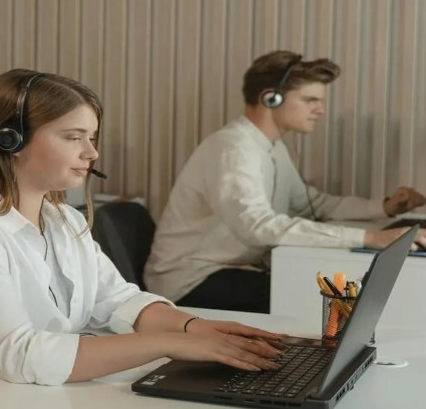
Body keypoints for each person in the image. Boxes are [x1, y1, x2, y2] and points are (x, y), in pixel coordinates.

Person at [0, 69, 284, 409]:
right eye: (74, 137)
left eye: (92, 137)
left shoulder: (62, 219)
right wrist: (172, 345)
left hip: (18, 408)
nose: (92, 152)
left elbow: (117, 299)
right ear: (9, 140)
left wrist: (196, 328)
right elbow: (20, 354)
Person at [145, 50, 426, 313]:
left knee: (330, 294)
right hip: (190, 281)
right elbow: (256, 226)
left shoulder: (271, 146)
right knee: (319, 302)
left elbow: (311, 204)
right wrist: (370, 238)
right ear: (271, 98)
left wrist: (385, 208)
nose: (320, 110)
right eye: (310, 100)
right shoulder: (234, 149)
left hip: (233, 269)